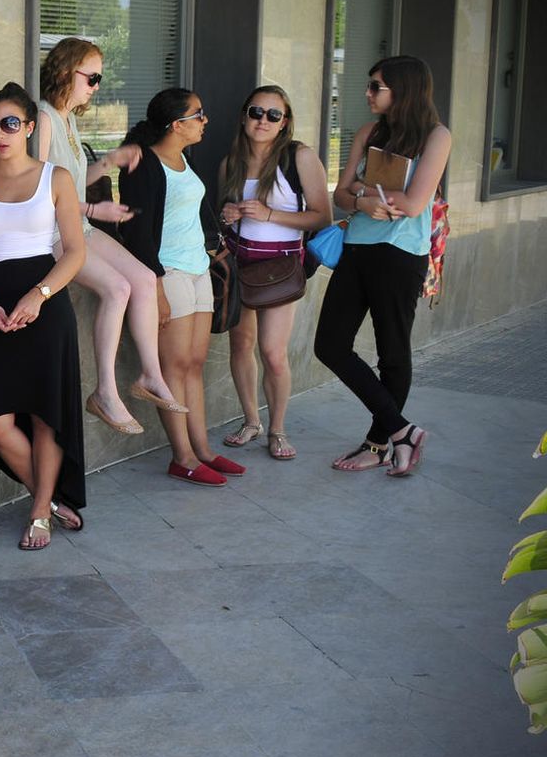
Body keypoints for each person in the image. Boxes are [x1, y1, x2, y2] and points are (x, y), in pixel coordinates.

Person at [0, 82, 87, 550]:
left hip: (45, 305)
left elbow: (74, 252)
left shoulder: (56, 179)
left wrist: (39, 295)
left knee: (46, 414)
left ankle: (38, 513)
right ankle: (48, 497)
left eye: (10, 123)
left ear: (30, 127)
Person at [36, 38, 186, 434]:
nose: (97, 86)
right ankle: (104, 391)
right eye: (93, 77)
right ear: (67, 71)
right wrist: (89, 209)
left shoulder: (67, 118)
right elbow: (36, 190)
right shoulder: (45, 118)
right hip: (51, 233)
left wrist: (110, 161)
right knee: (118, 288)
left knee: (142, 278)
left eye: (100, 78)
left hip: (76, 226)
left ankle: (149, 376)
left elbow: (73, 180)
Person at [315, 55, 449, 477]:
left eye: (376, 87)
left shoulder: (436, 136)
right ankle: (403, 431)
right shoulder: (370, 131)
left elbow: (413, 203)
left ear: (403, 90)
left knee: (393, 354)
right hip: (356, 249)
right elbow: (340, 192)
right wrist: (363, 202)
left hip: (400, 257)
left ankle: (378, 444)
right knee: (330, 345)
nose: (368, 93)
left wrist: (365, 195)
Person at [116, 88, 245, 487]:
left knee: (193, 364)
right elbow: (136, 231)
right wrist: (153, 286)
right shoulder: (144, 163)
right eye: (199, 115)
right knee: (172, 367)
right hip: (166, 272)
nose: (205, 121)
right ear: (177, 124)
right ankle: (183, 457)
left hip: (197, 269)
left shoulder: (185, 159)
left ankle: (203, 449)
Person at [218, 86, 332, 461]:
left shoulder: (298, 157)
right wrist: (230, 214)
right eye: (256, 112)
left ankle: (278, 428)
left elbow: (322, 216)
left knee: (272, 352)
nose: (262, 121)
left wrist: (269, 214)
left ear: (285, 122)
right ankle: (252, 421)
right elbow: (224, 215)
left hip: (280, 268)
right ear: (244, 116)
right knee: (240, 346)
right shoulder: (230, 162)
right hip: (239, 264)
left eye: (273, 115)